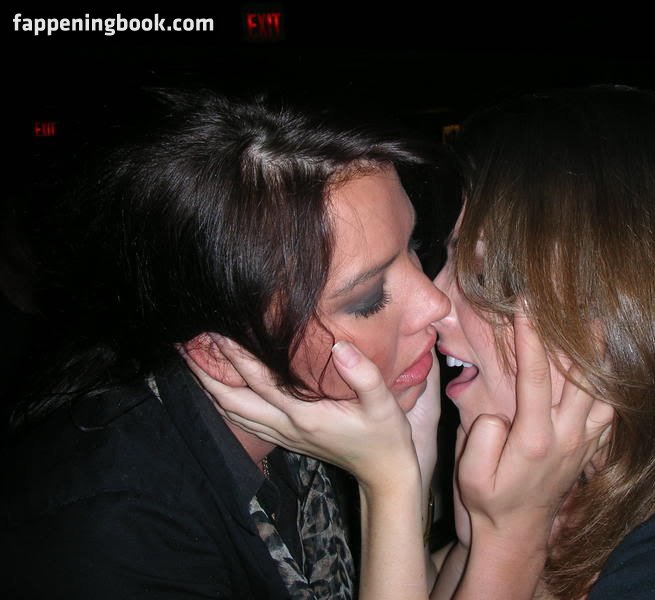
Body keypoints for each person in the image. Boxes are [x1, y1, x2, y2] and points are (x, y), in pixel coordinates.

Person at [206, 87, 655, 599]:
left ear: (622, 308)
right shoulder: (581, 482)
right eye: (442, 258)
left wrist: (501, 538)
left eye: (485, 278)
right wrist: (422, 481)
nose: (435, 302)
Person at [2, 89, 453, 599]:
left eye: (413, 246)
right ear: (218, 355)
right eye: (367, 298)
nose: (435, 303)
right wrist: (391, 483)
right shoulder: (112, 537)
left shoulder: (313, 428)